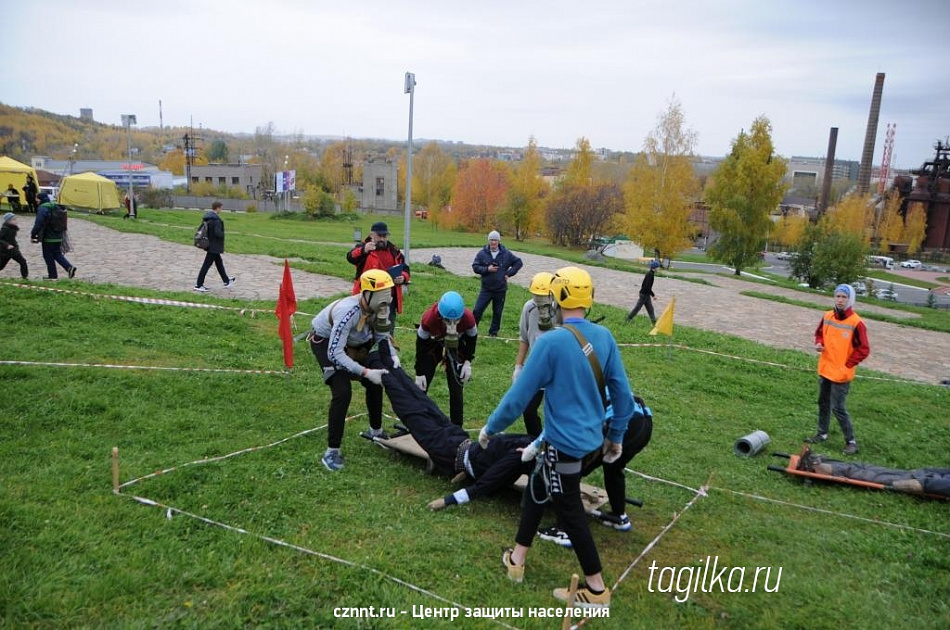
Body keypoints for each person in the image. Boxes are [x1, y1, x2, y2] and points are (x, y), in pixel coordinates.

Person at [479, 266, 635, 609]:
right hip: (590, 441)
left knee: (569, 511)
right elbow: (623, 397)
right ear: (588, 299)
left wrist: (490, 428)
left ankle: (595, 590)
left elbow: (518, 398)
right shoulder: (605, 337)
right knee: (537, 488)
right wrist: (617, 436)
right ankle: (517, 560)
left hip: (566, 446)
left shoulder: (550, 342)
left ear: (557, 297)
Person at [365, 339, 536, 508]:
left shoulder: (519, 458)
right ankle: (385, 353)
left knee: (407, 406)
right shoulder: (535, 443)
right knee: (419, 397)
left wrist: (448, 501)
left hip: (448, 452)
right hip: (459, 438)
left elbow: (484, 485)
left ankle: (374, 359)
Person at [310, 269, 402, 472]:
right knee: (342, 392)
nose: (386, 298)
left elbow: (381, 335)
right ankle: (331, 452)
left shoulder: (380, 307)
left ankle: (376, 431)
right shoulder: (348, 312)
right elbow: (335, 353)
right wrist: (365, 371)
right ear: (367, 293)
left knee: (375, 383)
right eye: (382, 294)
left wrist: (392, 354)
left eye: (389, 292)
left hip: (355, 343)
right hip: (328, 345)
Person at [805, 284, 870, 455]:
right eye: (838, 296)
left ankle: (851, 442)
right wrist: (819, 343)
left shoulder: (857, 322)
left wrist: (847, 365)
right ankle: (822, 434)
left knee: (838, 408)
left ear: (850, 300)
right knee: (823, 403)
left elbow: (864, 349)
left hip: (841, 374)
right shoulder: (827, 316)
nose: (840, 300)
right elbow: (819, 333)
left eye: (844, 297)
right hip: (825, 369)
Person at [414, 291, 478, 427]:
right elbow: (420, 345)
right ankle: (416, 422)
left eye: (456, 321)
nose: (452, 324)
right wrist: (419, 372)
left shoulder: (468, 318)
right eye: (448, 321)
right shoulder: (429, 319)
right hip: (433, 344)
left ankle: (457, 427)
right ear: (440, 316)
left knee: (456, 387)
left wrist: (467, 361)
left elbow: (472, 339)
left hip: (457, 346)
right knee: (422, 385)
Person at [513, 272, 556, 437]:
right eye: (536, 296)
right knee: (528, 410)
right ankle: (537, 442)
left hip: (558, 369)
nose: (539, 301)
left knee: (555, 412)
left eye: (543, 297)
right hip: (536, 367)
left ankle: (556, 446)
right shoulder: (529, 308)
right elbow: (524, 338)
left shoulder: (560, 311)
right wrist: (518, 366)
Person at [346, 221, 409, 331]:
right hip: (366, 298)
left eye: (385, 236)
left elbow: (405, 268)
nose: (383, 239)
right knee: (362, 331)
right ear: (372, 235)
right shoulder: (363, 248)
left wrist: (403, 277)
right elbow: (350, 257)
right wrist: (363, 250)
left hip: (388, 299)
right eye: (380, 236)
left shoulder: (394, 250)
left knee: (387, 332)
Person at [471, 230, 522, 337]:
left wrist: (509, 273)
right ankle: (472, 331)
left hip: (500, 289)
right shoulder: (482, 253)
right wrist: (487, 269)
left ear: (499, 241)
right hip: (486, 289)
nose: (493, 242)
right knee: (477, 310)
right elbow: (475, 267)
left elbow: (518, 262)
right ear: (488, 241)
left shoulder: (506, 254)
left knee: (497, 313)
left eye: (495, 240)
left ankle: (493, 333)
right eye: (491, 240)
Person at [30, 192, 76, 280]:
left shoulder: (43, 208)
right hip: (59, 235)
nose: (36, 200)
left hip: (48, 237)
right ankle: (69, 267)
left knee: (48, 256)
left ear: (40, 199)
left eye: (37, 198)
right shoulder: (55, 206)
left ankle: (52, 276)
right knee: (57, 254)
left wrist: (33, 234)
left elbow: (38, 223)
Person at [193, 201, 235, 292]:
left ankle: (226, 280)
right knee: (206, 265)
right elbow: (218, 233)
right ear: (218, 208)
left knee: (219, 263)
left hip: (210, 244)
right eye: (221, 208)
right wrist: (223, 233)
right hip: (214, 246)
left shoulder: (208, 218)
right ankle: (198, 284)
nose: (221, 210)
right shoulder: (216, 220)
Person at [626, 260, 659, 324]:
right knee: (637, 308)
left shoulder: (651, 274)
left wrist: (651, 295)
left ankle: (654, 322)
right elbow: (647, 287)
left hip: (646, 294)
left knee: (650, 309)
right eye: (658, 267)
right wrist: (653, 295)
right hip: (644, 294)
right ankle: (628, 318)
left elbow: (646, 286)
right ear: (655, 268)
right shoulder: (650, 275)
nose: (659, 268)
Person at [0, 212, 29, 279]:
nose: (16, 221)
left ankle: (25, 278)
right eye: (14, 219)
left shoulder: (13, 228)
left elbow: (11, 239)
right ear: (8, 221)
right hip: (5, 251)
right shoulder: (5, 229)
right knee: (1, 266)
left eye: (15, 219)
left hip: (14, 250)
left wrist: (15, 245)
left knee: (23, 261)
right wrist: (7, 245)